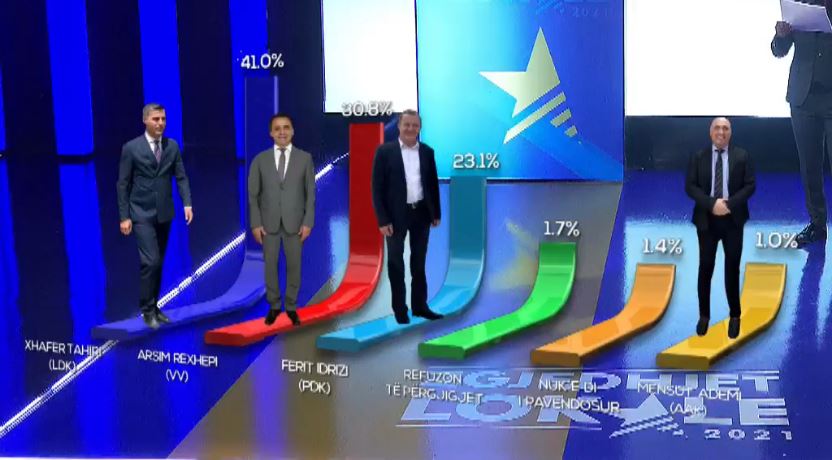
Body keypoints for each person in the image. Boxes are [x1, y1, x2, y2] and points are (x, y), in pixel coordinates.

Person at [117, 103, 193, 329]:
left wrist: (187, 203)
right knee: (150, 261)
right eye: (156, 119)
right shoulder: (131, 148)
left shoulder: (172, 146)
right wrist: (124, 216)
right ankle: (147, 309)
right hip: (140, 213)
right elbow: (123, 184)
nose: (161, 123)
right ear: (145, 121)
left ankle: (155, 307)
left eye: (163, 119)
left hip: (164, 213)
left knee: (158, 262)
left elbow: (181, 177)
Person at [371, 109, 444, 324]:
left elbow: (432, 184)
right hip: (395, 217)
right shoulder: (384, 152)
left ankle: (420, 307)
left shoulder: (427, 152)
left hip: (421, 213)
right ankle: (400, 310)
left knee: (419, 264)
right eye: (407, 124)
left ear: (420, 128)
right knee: (396, 264)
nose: (411, 129)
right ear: (399, 126)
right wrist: (383, 220)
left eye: (415, 125)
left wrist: (436, 213)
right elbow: (376, 188)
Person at [685, 117, 755, 339]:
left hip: (733, 220)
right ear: (710, 132)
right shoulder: (699, 157)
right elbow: (690, 186)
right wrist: (711, 204)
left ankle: (735, 315)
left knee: (732, 268)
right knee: (705, 267)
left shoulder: (742, 156)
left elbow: (750, 186)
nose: (721, 132)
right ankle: (704, 316)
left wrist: (728, 205)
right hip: (706, 220)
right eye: (717, 128)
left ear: (730, 133)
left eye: (725, 128)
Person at [248, 113, 315, 326]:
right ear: (271, 133)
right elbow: (253, 195)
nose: (282, 132)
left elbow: (310, 194)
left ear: (292, 131)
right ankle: (275, 306)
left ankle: (292, 306)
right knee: (270, 266)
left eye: (286, 127)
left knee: (294, 266)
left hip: (295, 224)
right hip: (268, 225)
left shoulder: (305, 159)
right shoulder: (260, 160)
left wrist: (308, 222)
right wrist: (256, 223)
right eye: (277, 129)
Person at [772, 14, 832, 247]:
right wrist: (781, 36)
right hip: (803, 97)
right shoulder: (799, 7)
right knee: (809, 166)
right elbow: (778, 50)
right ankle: (817, 224)